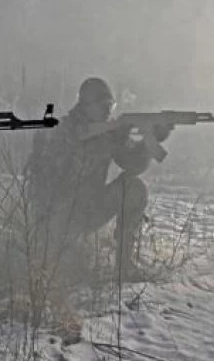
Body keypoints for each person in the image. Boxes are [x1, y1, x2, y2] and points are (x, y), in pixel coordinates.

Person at [24, 77, 171, 278]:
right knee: (59, 274)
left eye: (111, 105)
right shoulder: (61, 132)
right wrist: (104, 140)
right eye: (103, 105)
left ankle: (124, 267)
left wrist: (149, 140)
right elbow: (56, 177)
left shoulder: (107, 133)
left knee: (135, 189)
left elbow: (134, 166)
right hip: (55, 219)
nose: (108, 111)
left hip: (88, 210)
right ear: (85, 105)